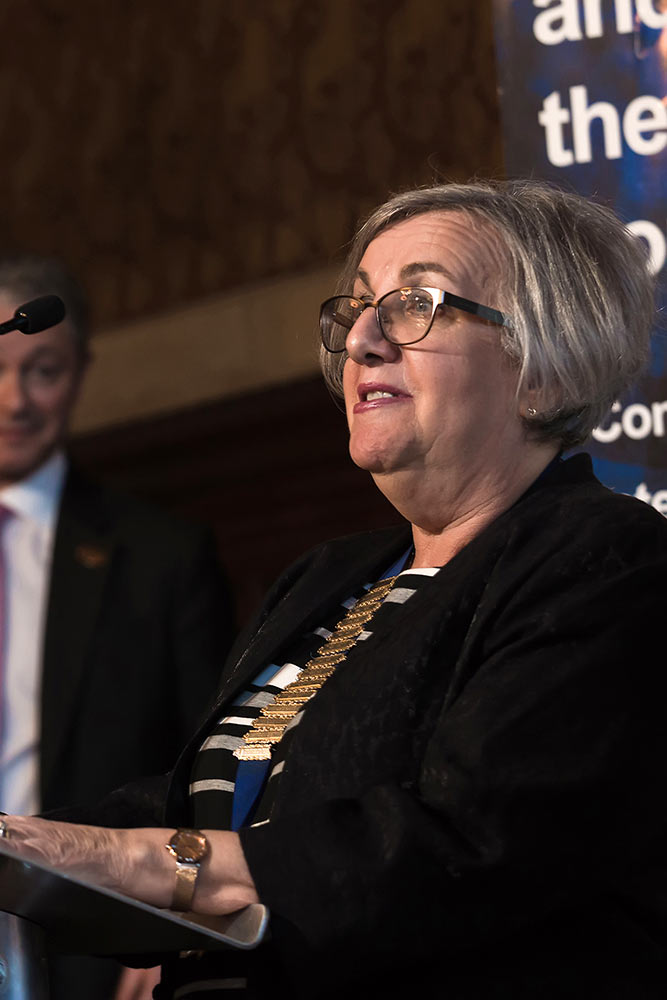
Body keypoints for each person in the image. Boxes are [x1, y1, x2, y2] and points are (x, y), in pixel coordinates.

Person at [2, 180, 667, 1000]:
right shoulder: (327, 578)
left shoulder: (610, 563)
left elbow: (466, 842)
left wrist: (138, 863)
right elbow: (196, 801)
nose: (361, 340)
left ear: (541, 368)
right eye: (356, 309)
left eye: (415, 303)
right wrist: (28, 844)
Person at [0, 255, 235, 999]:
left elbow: (208, 769)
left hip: (85, 951)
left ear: (81, 370)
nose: (15, 400)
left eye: (43, 371)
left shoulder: (160, 558)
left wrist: (161, 927)